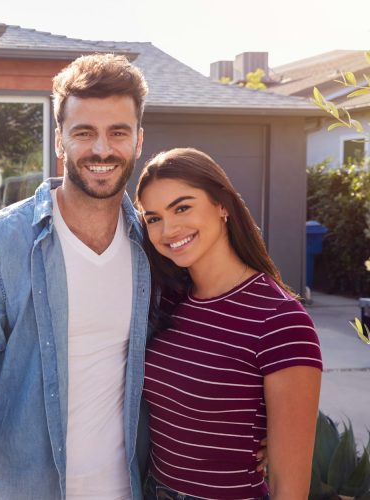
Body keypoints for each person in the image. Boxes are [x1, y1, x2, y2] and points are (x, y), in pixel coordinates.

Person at [0, 53, 152, 499]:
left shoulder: (154, 246)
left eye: (118, 133)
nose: (102, 150)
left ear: (138, 140)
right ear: (59, 141)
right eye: (84, 133)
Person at [134, 147, 322, 500]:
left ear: (222, 205)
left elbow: (290, 487)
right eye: (153, 217)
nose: (169, 229)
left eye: (183, 207)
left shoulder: (281, 321)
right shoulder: (168, 302)